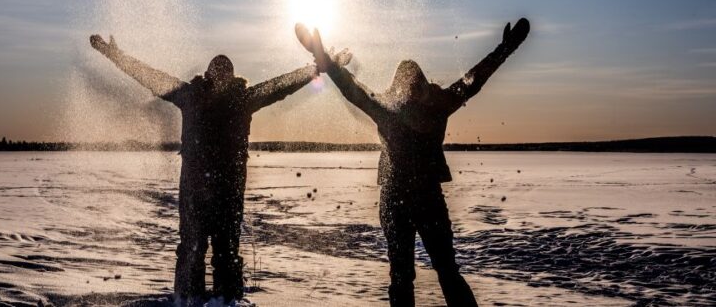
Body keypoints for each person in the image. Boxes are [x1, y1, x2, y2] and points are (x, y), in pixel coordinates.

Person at [90, 34, 350, 305]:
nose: (222, 76)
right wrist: (316, 69)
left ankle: (204, 299)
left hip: (212, 191)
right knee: (208, 251)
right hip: (212, 191)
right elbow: (149, 75)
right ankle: (206, 299)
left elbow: (279, 85)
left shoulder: (204, 96)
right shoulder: (219, 97)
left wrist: (316, 69)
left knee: (205, 250)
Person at [296, 19, 530, 307]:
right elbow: (473, 81)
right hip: (419, 198)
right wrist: (504, 50)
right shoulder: (433, 105)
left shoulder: (392, 108)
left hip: (401, 198)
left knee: (413, 275)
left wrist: (326, 61)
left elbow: (352, 89)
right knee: (437, 272)